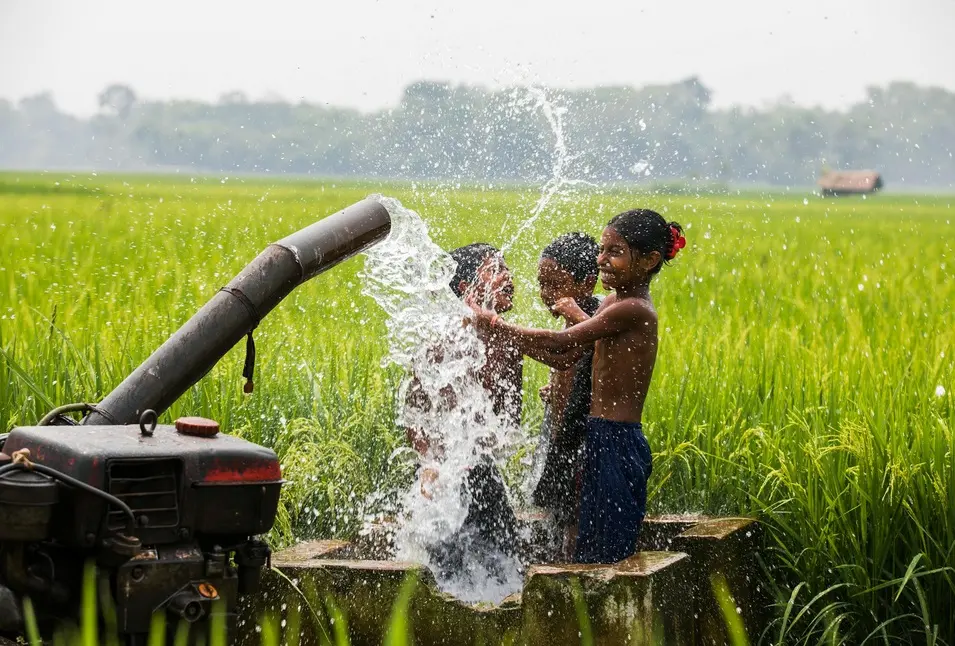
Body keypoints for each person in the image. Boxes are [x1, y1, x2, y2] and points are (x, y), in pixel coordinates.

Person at [468, 209, 686, 563]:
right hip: (599, 434)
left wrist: (494, 324)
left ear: (649, 260)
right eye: (603, 249)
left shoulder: (634, 309)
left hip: (617, 439)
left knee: (607, 552)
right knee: (589, 541)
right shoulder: (614, 303)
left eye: (615, 252)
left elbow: (558, 342)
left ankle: (604, 614)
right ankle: (585, 612)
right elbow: (568, 353)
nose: (602, 259)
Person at [403, 243, 524, 581]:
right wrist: (430, 464)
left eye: (507, 268)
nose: (508, 278)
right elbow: (414, 417)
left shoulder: (510, 344)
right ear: (466, 290)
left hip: (484, 474)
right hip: (442, 478)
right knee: (445, 573)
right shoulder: (442, 344)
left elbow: (510, 420)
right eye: (496, 270)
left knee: (503, 567)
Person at [531, 232, 601, 560]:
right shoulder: (570, 322)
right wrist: (556, 388)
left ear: (586, 284)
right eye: (542, 284)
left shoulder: (596, 318)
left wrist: (575, 314)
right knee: (560, 515)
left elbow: (607, 358)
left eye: (554, 285)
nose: (547, 295)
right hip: (562, 436)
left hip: (581, 440)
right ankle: (561, 568)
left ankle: (570, 577)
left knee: (574, 517)